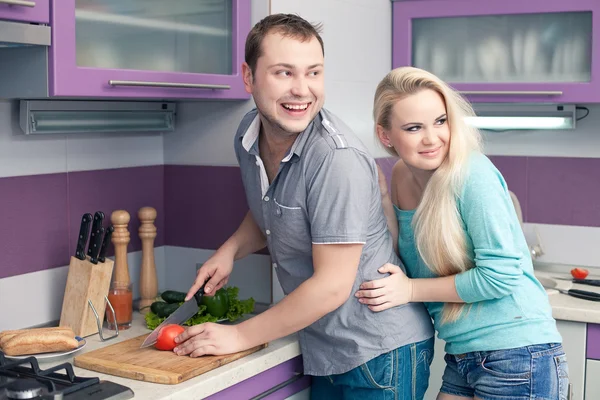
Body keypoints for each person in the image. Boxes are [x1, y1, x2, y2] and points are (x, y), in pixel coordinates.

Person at [173, 14, 434, 400]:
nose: (302, 90)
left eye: (314, 73)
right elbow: (274, 206)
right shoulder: (248, 136)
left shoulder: (334, 160)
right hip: (327, 348)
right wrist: (230, 251)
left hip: (379, 354)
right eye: (284, 73)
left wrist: (239, 336)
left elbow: (331, 287)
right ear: (249, 77)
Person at [355, 66, 569, 400]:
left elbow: (500, 275)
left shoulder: (472, 174)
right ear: (385, 136)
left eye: (441, 121)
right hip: (463, 354)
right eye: (414, 128)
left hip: (519, 354)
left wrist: (410, 289)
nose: (432, 138)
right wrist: (380, 199)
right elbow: (398, 252)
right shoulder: (399, 176)